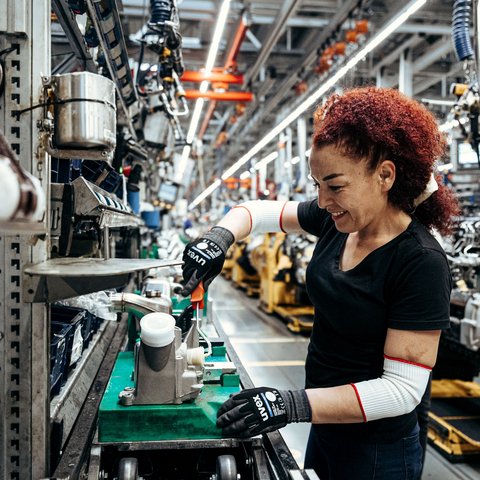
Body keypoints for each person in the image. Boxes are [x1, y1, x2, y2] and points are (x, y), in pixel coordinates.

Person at [181, 87, 459, 480]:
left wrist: (289, 405)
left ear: (384, 175)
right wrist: (219, 237)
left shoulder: (419, 262)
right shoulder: (338, 221)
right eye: (317, 185)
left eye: (335, 185)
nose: (323, 199)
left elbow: (401, 391)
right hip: (326, 425)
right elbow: (258, 212)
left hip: (378, 452)